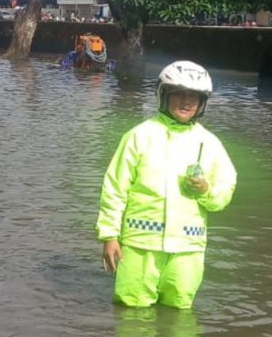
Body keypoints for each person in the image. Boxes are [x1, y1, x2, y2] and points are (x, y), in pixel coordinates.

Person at [97, 60, 237, 309]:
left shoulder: (210, 144)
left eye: (193, 96)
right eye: (179, 94)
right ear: (164, 95)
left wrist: (206, 191)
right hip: (139, 246)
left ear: (202, 102)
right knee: (131, 313)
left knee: (179, 315)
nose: (186, 102)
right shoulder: (139, 136)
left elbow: (224, 192)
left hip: (188, 249)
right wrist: (109, 236)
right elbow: (115, 189)